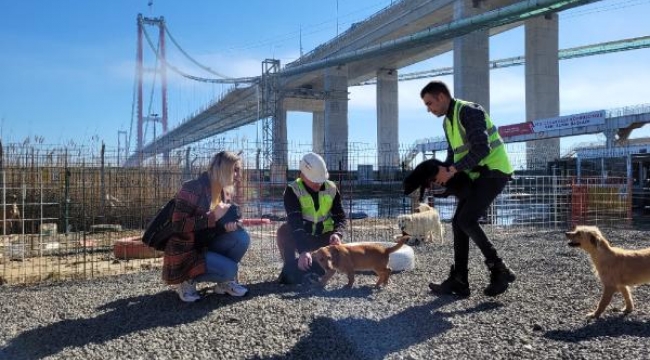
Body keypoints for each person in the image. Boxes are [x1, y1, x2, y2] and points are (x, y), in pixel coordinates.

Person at [420, 80, 516, 297]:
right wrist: (440, 176)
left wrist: (452, 170)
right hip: (476, 174)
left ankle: (498, 268)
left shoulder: (469, 111)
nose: (428, 109)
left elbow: (482, 148)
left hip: (494, 171)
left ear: (442, 97)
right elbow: (453, 157)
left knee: (466, 220)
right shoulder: (447, 122)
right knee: (457, 223)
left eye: (430, 103)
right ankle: (460, 280)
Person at [162, 151, 251, 302]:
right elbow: (177, 225)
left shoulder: (225, 191)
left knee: (241, 237)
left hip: (206, 245)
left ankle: (224, 283)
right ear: (222, 169)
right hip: (187, 251)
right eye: (234, 170)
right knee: (230, 269)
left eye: (239, 170)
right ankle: (186, 280)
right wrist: (213, 217)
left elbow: (220, 224)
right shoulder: (192, 188)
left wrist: (233, 225)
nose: (238, 175)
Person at [276, 152, 347, 285]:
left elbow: (340, 217)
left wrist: (337, 233)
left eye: (321, 181)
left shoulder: (332, 189)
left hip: (324, 238)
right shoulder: (292, 190)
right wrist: (303, 250)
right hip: (303, 236)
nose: (318, 184)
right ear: (302, 175)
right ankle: (292, 265)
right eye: (314, 181)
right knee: (284, 231)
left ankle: (314, 265)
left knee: (315, 269)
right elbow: (295, 223)